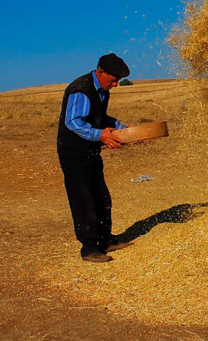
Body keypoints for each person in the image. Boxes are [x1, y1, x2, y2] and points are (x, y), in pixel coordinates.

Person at [57, 53, 135, 263]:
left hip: (91, 150)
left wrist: (123, 129)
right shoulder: (80, 90)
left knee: (101, 196)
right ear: (100, 71)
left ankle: (105, 239)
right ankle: (89, 248)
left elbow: (99, 117)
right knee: (83, 199)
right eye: (113, 79)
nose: (116, 84)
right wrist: (100, 134)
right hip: (73, 153)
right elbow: (73, 122)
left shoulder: (102, 90)